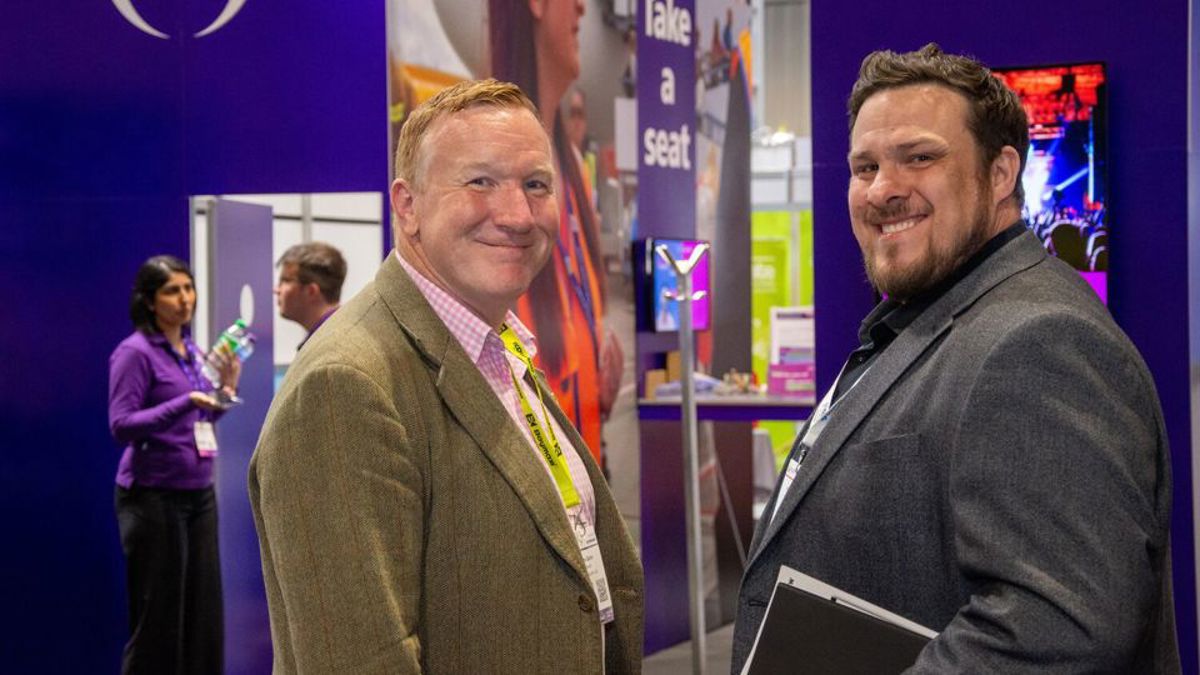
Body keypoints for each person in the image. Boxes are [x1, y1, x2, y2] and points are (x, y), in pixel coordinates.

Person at [732, 44, 1179, 673]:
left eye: (920, 157)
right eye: (865, 167)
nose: (884, 189)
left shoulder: (1039, 340)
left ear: (999, 175)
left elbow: (1056, 629)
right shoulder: (932, 314)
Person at [249, 79, 643, 673]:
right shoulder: (345, 386)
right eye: (480, 181)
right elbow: (358, 660)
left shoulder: (497, 344)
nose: (516, 214)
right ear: (407, 206)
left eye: (535, 185)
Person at [490, 0, 624, 467]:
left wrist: (592, 366)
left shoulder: (570, 167)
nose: (585, 9)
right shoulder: (494, 164)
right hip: (534, 467)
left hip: (581, 454)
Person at [108, 254, 240, 675]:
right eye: (171, 291)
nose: (184, 300)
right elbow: (121, 424)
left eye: (188, 288)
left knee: (202, 614)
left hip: (198, 493)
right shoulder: (135, 353)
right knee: (160, 619)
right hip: (153, 496)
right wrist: (183, 402)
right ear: (150, 301)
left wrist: (224, 391)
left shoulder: (191, 349)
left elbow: (202, 418)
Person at [274, 241, 347, 349]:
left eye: (286, 281)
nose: (276, 290)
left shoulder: (330, 347)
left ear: (311, 291)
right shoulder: (340, 332)